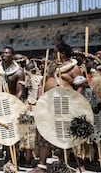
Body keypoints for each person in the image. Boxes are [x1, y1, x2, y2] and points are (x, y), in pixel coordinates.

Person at [28, 42, 86, 173]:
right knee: (45, 134)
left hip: (65, 106)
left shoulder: (74, 68)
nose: (53, 54)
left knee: (64, 134)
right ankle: (41, 166)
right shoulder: (52, 67)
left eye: (55, 52)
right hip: (49, 105)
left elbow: (82, 85)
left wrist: (75, 100)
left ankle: (63, 163)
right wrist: (40, 98)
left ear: (62, 53)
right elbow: (43, 83)